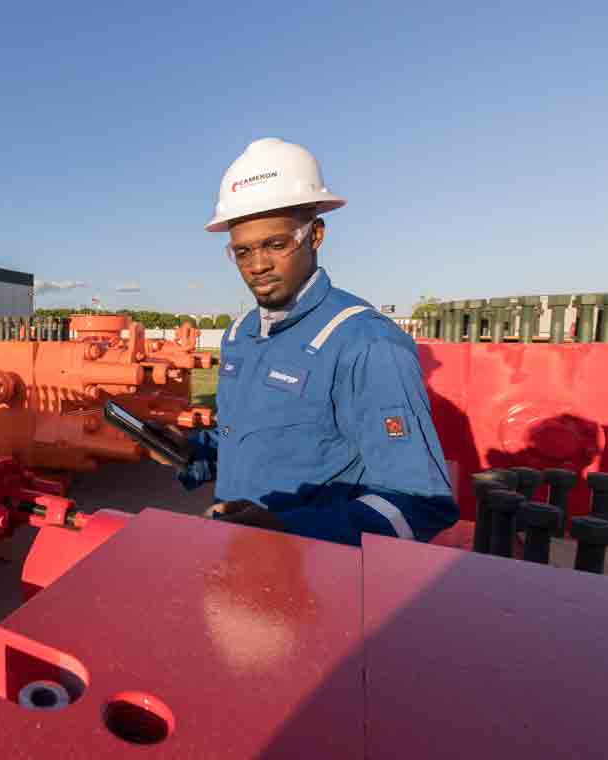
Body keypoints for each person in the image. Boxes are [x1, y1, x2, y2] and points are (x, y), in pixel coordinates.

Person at [156, 137, 457, 546]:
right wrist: (193, 452)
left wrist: (289, 531)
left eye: (276, 245)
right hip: (236, 558)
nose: (258, 265)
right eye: (242, 252)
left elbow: (420, 504)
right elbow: (261, 444)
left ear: (315, 235)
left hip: (317, 583)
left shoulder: (364, 343)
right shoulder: (239, 334)